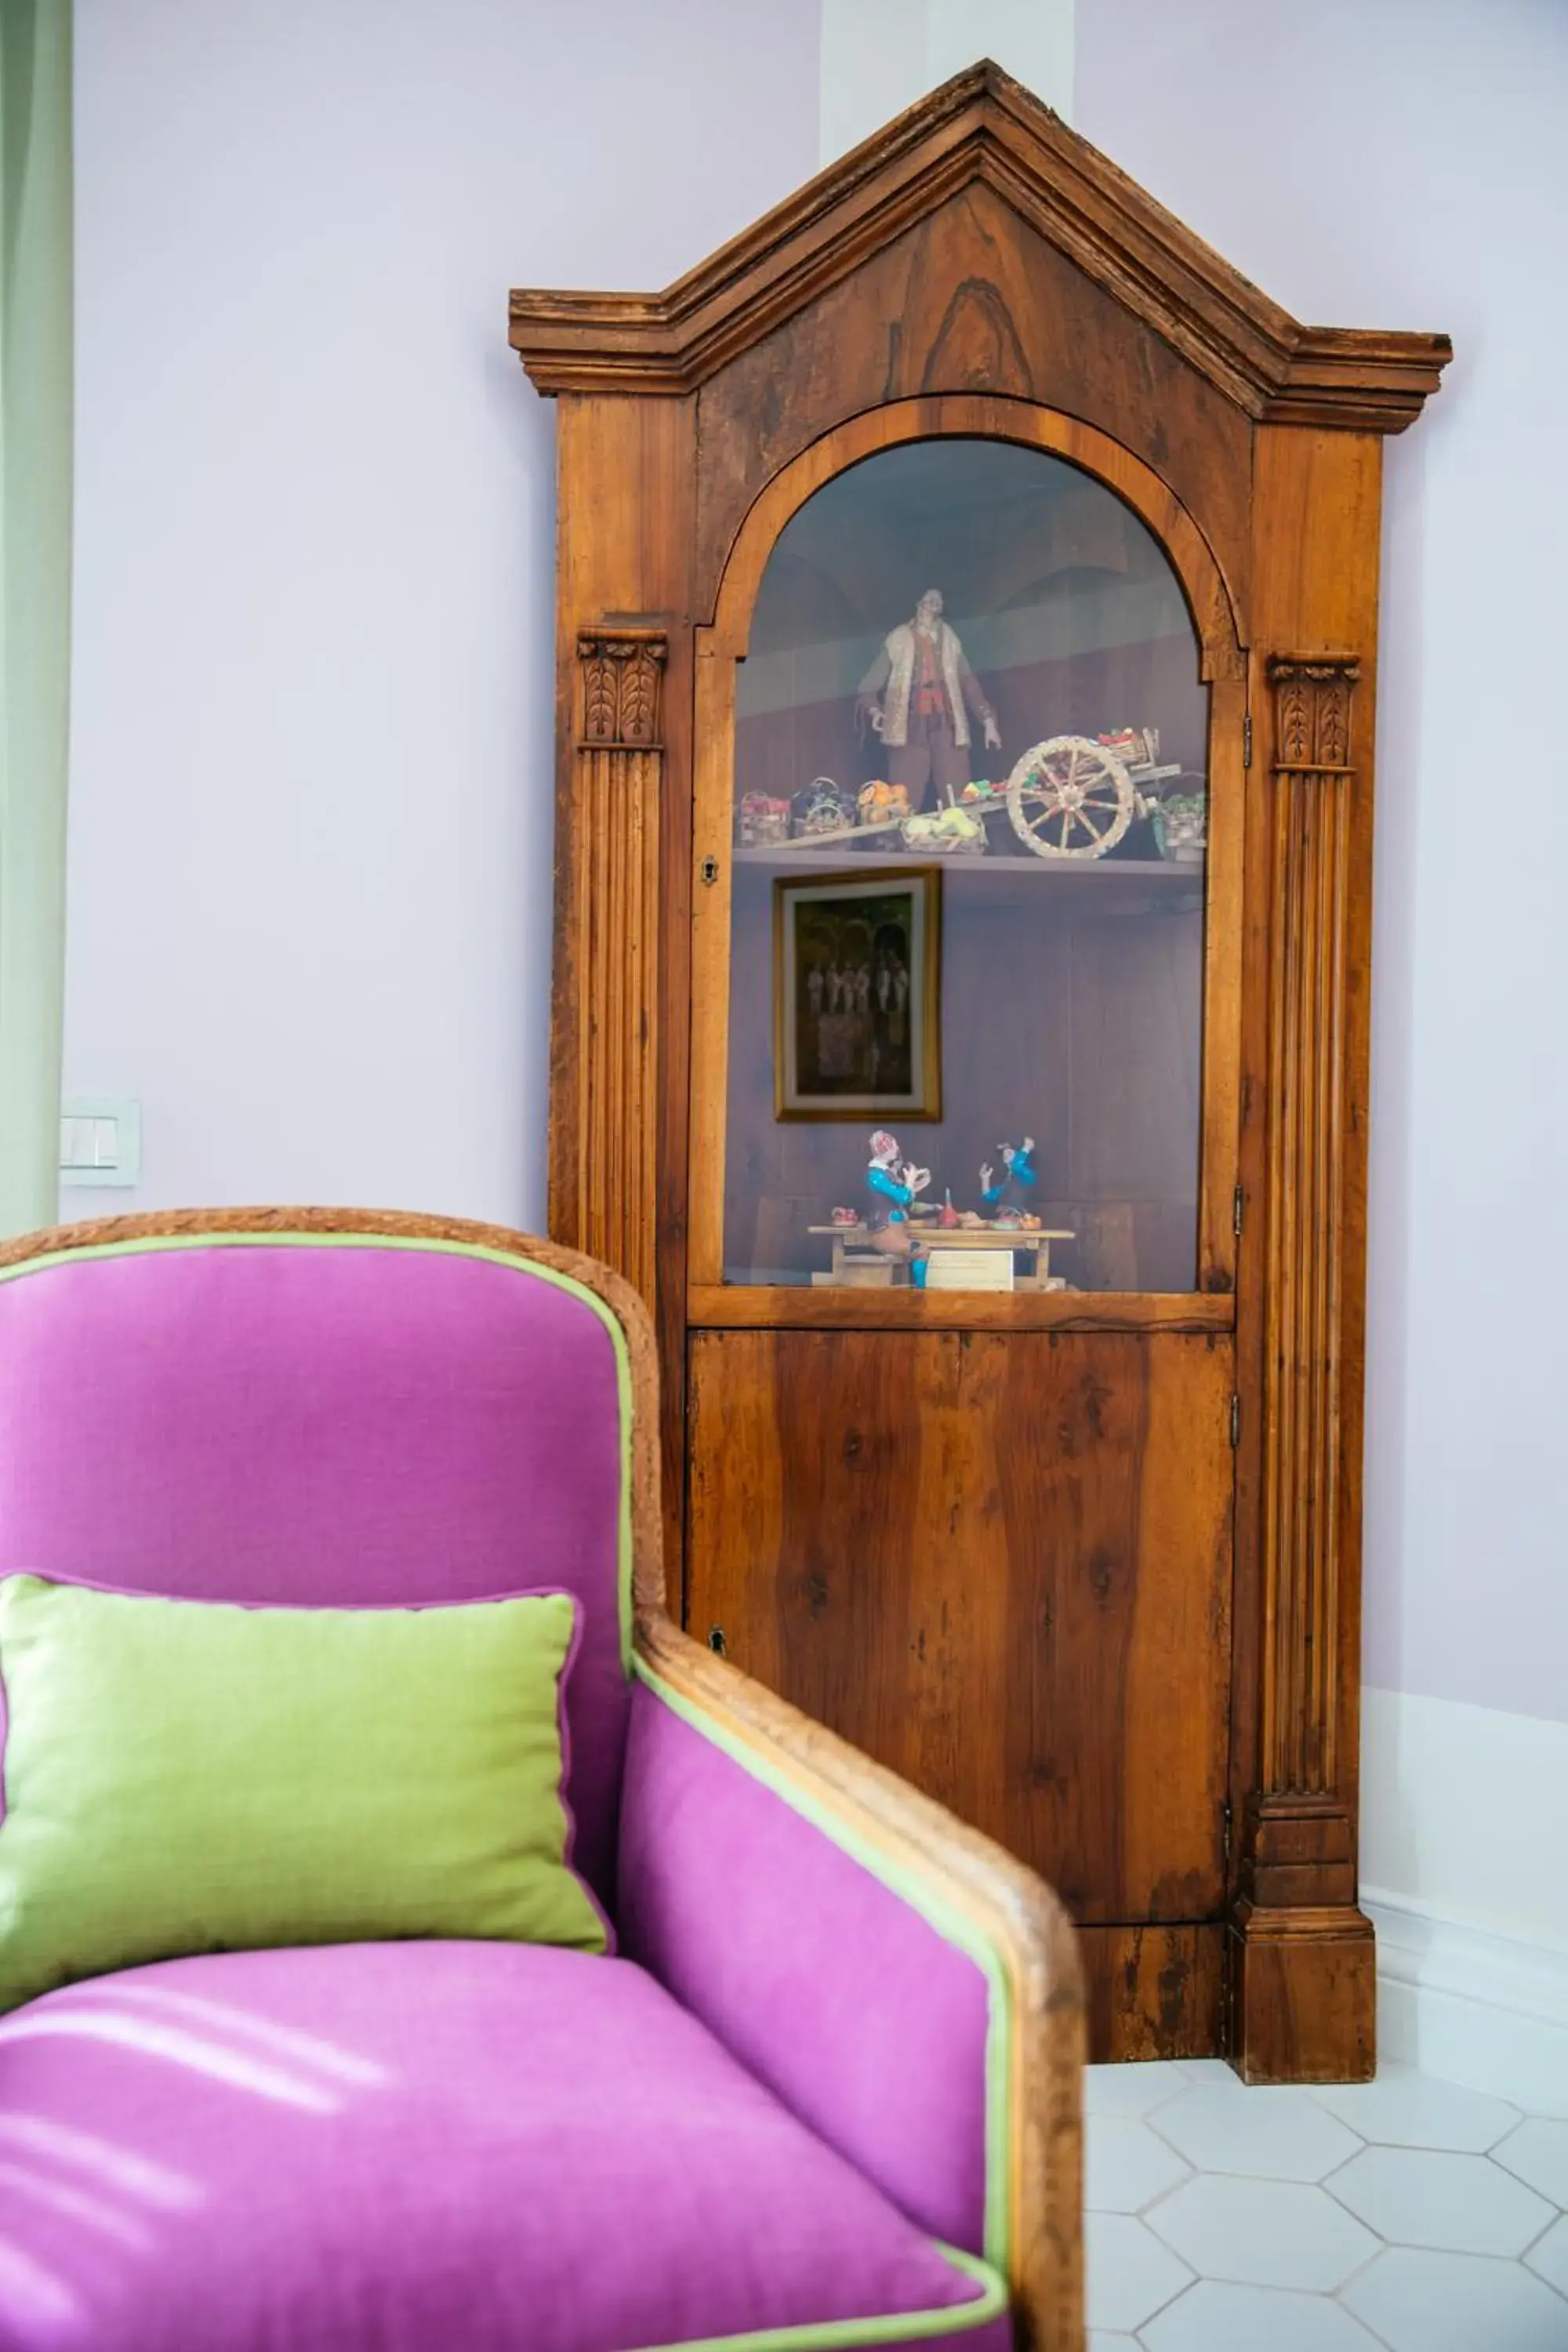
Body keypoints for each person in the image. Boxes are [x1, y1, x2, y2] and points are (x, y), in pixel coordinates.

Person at [856, 588, 1001, 810]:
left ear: (941, 609)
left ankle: (963, 841)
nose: (930, 608)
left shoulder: (950, 639)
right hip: (909, 727)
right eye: (926, 602)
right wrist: (875, 711)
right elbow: (868, 686)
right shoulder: (899, 639)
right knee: (903, 797)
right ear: (917, 604)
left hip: (947, 726)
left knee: (959, 795)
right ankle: (903, 841)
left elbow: (969, 683)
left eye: (936, 604)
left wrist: (988, 721)